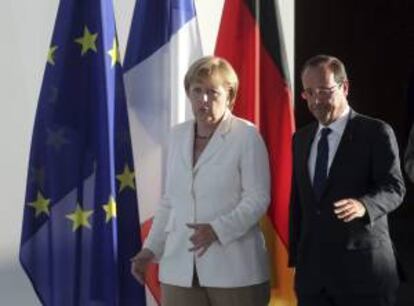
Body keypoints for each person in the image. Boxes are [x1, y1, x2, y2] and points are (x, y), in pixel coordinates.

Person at [131, 56, 271, 306]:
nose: (203, 100)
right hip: (179, 269)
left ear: (229, 95)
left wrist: (217, 229)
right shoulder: (177, 135)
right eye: (197, 91)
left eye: (212, 92)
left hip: (235, 271)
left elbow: (258, 198)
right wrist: (150, 249)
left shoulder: (246, 135)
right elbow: (169, 201)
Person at [289, 54, 406, 306]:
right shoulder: (300, 139)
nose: (316, 100)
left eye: (324, 91)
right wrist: (297, 261)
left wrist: (364, 205)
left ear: (344, 87)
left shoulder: (375, 132)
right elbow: (299, 202)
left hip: (363, 275)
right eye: (309, 92)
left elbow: (394, 187)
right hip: (314, 278)